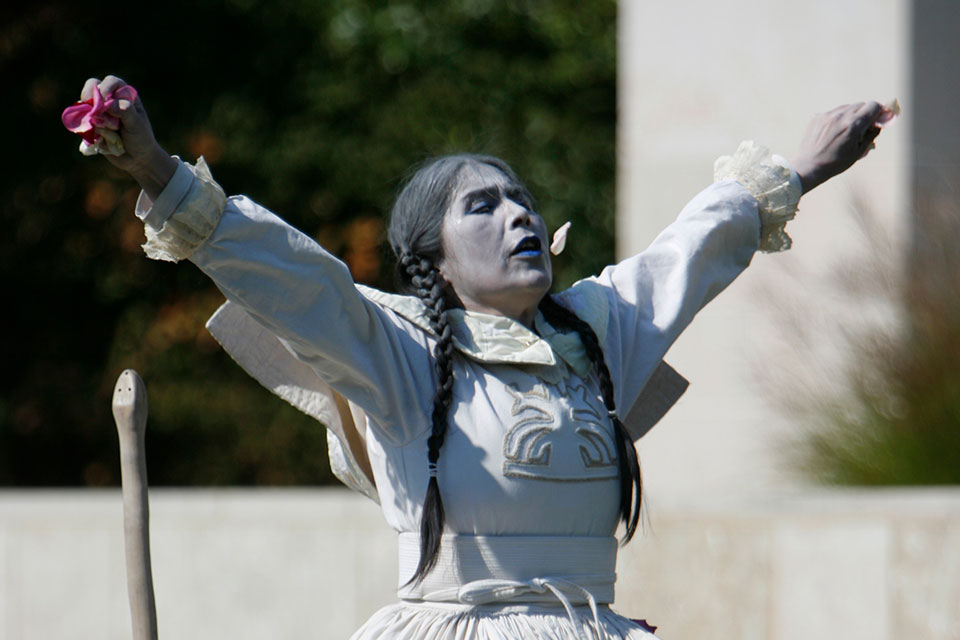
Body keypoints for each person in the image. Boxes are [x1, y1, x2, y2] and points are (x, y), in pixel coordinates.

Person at [71, 74, 889, 639]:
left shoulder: (596, 332)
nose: (518, 217)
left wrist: (807, 168)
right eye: (483, 208)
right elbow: (290, 274)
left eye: (522, 201)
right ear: (440, 264)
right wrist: (152, 165)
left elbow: (691, 249)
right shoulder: (401, 356)